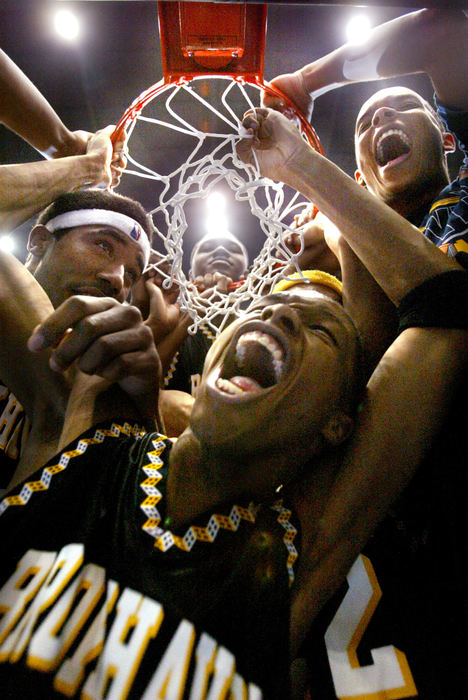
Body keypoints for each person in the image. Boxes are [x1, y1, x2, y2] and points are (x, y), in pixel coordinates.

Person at [0, 103, 466, 697]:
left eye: (320, 330)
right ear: (198, 376)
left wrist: (307, 174)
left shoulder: (297, 556)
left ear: (338, 423)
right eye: (266, 306)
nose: (278, 313)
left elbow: (446, 314)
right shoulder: (83, 418)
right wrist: (79, 168)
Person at [237, 106, 468, 698]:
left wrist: (312, 93)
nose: (377, 119)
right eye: (360, 124)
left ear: (447, 138)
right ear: (361, 174)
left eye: (399, 106)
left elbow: (443, 305)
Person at [263, 8, 468, 268]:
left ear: (446, 139)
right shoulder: (334, 250)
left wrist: (305, 82)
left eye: (405, 105)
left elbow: (442, 32)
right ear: (359, 180)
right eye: (364, 125)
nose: (381, 115)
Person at [0, 187, 157, 492]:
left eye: (132, 276)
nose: (117, 280)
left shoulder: (97, 381)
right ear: (40, 241)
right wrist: (86, 166)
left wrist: (146, 412)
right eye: (103, 245)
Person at [162, 231, 249, 397]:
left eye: (234, 249)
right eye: (207, 248)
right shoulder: (167, 318)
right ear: (189, 277)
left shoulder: (260, 320)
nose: (221, 250)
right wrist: (191, 314)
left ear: (245, 277)